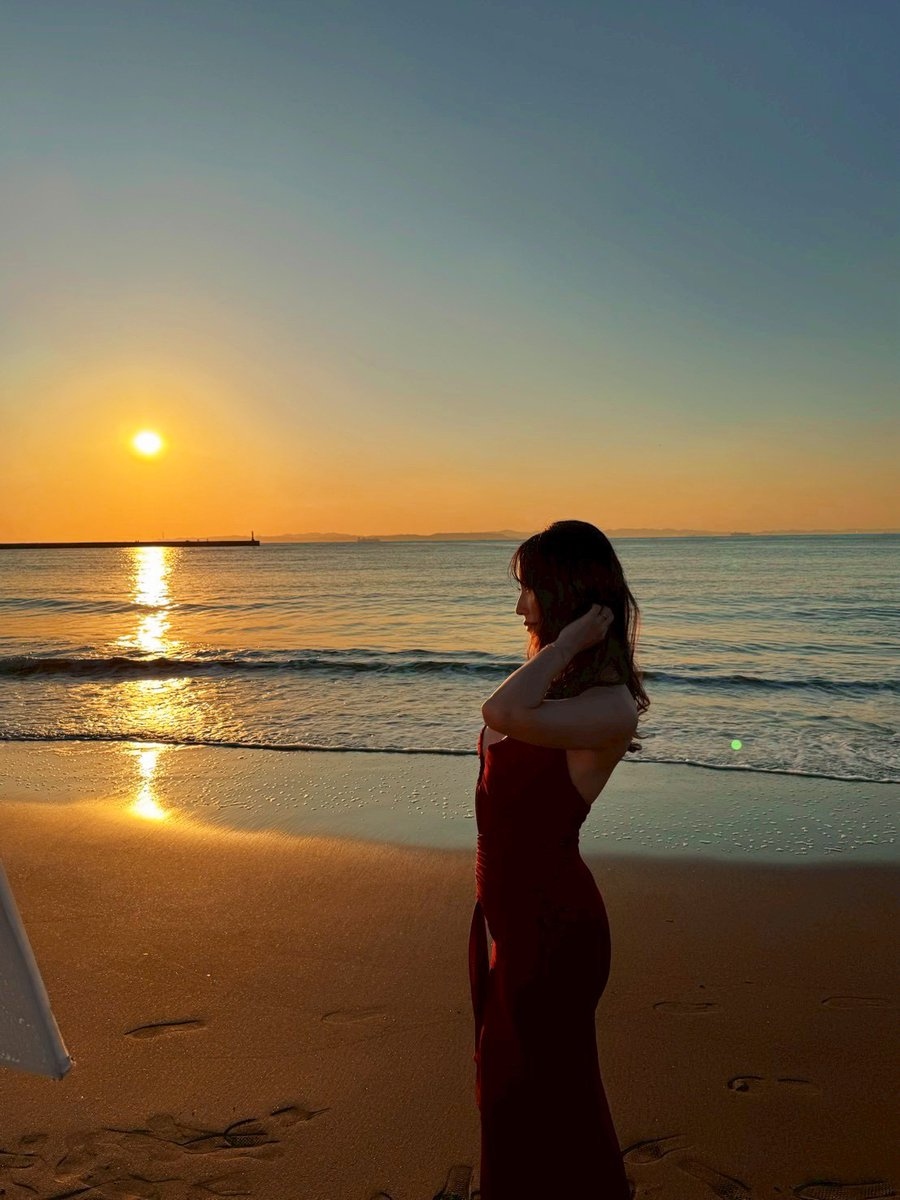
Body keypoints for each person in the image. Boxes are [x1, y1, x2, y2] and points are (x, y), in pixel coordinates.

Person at [469, 519, 650, 1198]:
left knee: (541, 1097)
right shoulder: (559, 690)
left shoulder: (609, 708)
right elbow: (509, 713)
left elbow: (499, 710)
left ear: (566, 596)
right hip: (514, 921)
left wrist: (568, 641)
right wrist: (562, 649)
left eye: (530, 590)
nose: (520, 608)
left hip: (553, 932)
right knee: (512, 1091)